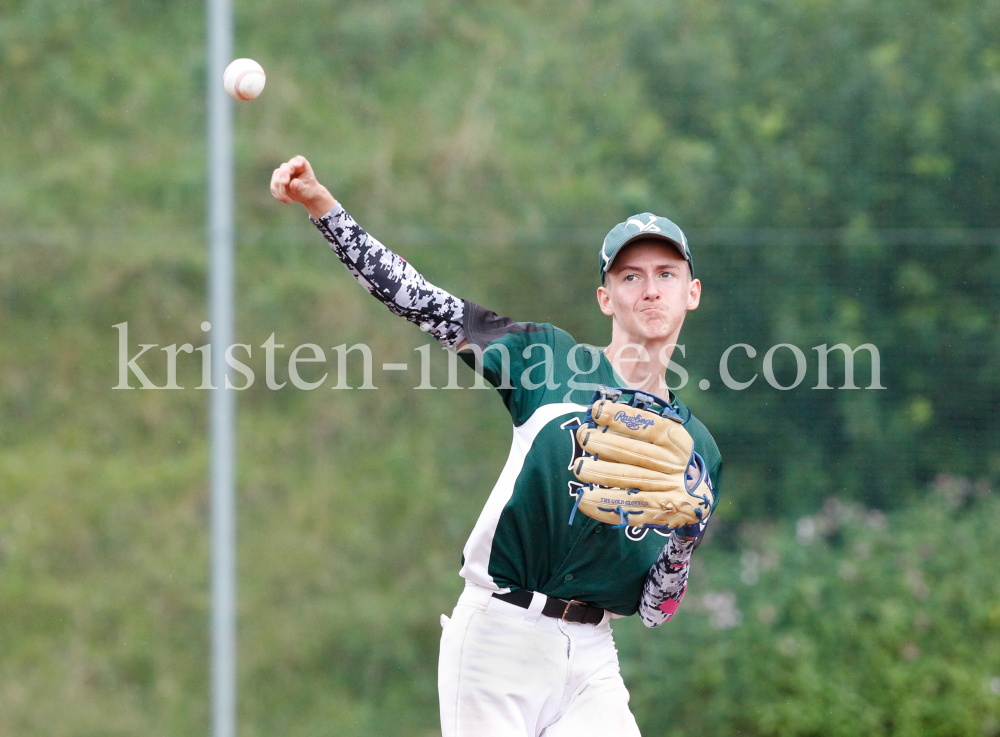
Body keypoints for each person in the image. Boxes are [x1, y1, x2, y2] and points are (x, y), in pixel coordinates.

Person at [270, 155, 722, 736]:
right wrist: (322, 207)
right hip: (496, 638)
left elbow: (658, 609)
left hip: (589, 657)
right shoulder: (549, 362)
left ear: (693, 292)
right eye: (630, 276)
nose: (650, 290)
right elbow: (426, 304)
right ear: (606, 298)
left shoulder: (698, 450)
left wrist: (685, 538)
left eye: (666, 274)